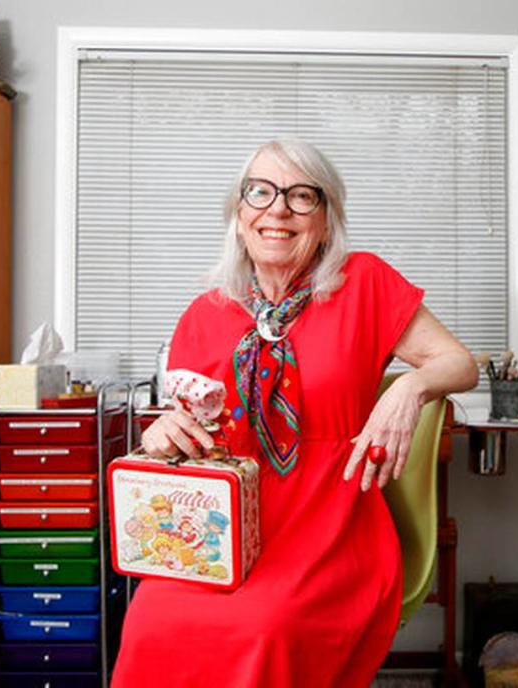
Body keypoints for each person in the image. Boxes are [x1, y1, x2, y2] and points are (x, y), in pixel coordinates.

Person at [111, 138, 478, 687]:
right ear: (239, 217)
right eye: (259, 193)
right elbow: (193, 443)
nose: (277, 209)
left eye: (301, 196)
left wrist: (410, 388)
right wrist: (165, 432)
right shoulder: (204, 313)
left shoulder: (364, 282)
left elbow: (460, 364)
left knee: (266, 627)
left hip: (332, 523)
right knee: (149, 620)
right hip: (225, 529)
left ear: (326, 222)